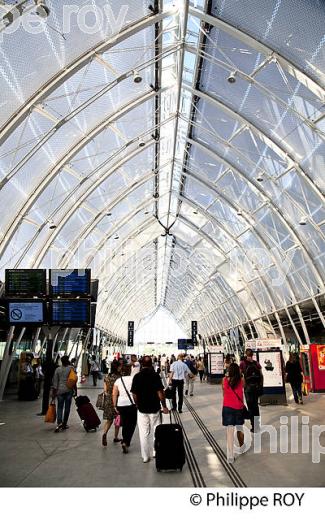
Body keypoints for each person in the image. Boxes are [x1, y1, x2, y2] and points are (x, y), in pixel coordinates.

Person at [131, 355, 169, 463]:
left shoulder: (137, 377)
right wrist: (164, 406)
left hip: (142, 409)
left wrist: (137, 404)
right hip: (155, 408)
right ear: (151, 363)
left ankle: (145, 456)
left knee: (143, 433)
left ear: (141, 364)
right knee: (156, 430)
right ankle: (155, 452)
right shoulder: (155, 376)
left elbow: (134, 394)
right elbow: (160, 393)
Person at [222, 363, 245, 463]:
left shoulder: (224, 380)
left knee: (229, 432)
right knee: (240, 428)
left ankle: (230, 456)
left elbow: (223, 393)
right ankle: (242, 446)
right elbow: (243, 386)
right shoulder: (241, 380)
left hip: (227, 407)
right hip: (238, 408)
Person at [112, 365, 137, 454]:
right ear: (130, 371)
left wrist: (115, 406)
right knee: (132, 424)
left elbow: (114, 394)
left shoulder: (118, 380)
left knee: (125, 423)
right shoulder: (133, 379)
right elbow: (136, 392)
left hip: (121, 404)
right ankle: (126, 442)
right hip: (132, 404)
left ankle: (124, 440)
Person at [240, 349, 263, 432]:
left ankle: (253, 426)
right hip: (256, 388)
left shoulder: (243, 363)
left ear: (246, 354)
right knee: (256, 406)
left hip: (248, 389)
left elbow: (240, 375)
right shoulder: (256, 363)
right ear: (252, 355)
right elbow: (261, 375)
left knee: (250, 407)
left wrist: (244, 386)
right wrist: (260, 386)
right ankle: (257, 426)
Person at [51, 356, 75, 432]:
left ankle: (59, 423)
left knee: (60, 407)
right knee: (67, 407)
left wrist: (54, 393)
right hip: (68, 390)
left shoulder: (57, 369)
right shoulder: (71, 368)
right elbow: (73, 380)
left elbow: (55, 382)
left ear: (61, 361)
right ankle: (64, 423)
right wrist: (75, 390)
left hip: (60, 391)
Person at [102, 360, 121, 447]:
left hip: (108, 400)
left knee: (109, 420)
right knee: (117, 419)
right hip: (117, 400)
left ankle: (104, 433)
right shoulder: (119, 378)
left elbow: (105, 391)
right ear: (117, 367)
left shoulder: (107, 376)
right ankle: (116, 437)